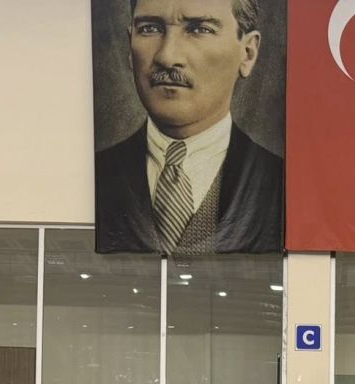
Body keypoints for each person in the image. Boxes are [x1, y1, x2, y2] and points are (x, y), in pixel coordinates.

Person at [95, 0, 283, 254]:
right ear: (130, 46)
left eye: (200, 29)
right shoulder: (97, 175)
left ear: (247, 53)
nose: (167, 56)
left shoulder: (282, 185)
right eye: (150, 29)